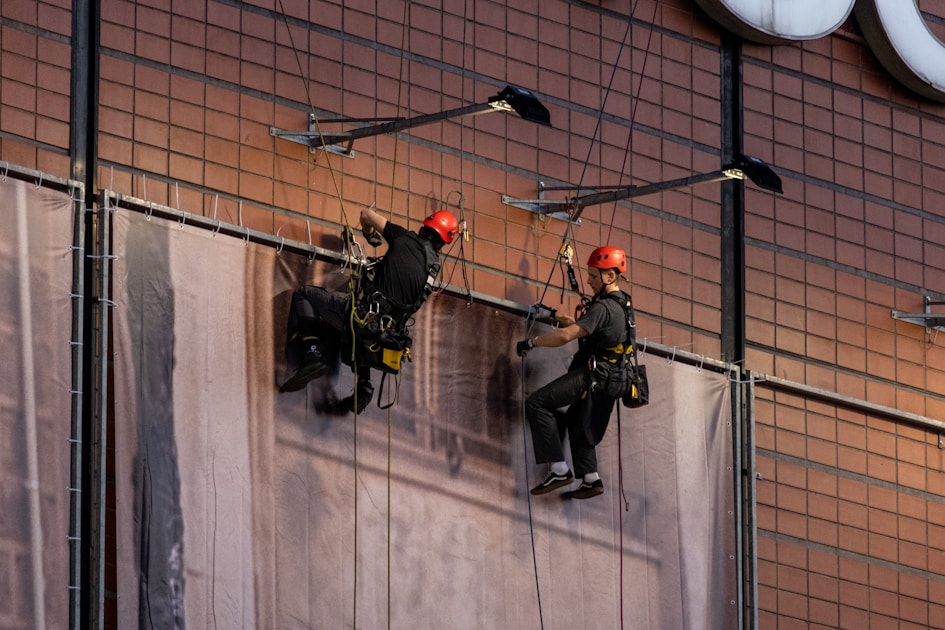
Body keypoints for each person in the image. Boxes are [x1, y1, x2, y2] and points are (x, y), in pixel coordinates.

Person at [281, 206, 459, 413]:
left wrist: (368, 233)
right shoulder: (432, 269)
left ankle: (312, 354)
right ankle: (364, 386)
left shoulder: (404, 237)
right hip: (387, 335)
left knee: (305, 294)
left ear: (425, 227)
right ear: (442, 243)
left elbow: (366, 214)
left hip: (361, 317)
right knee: (364, 336)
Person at [515, 246, 635, 499]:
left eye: (593, 276)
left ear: (610, 276)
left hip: (594, 375)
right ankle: (591, 478)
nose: (589, 281)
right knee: (577, 420)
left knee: (537, 403)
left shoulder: (604, 309)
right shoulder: (623, 305)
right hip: (612, 379)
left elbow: (568, 336)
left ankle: (559, 469)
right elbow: (586, 326)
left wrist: (531, 343)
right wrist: (558, 316)